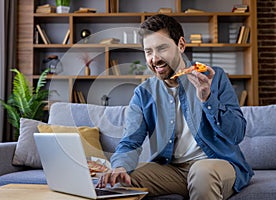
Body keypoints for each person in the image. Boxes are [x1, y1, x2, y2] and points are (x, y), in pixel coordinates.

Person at [96, 14, 253, 200]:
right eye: (148, 52)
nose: (155, 59)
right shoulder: (143, 93)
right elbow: (130, 142)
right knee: (121, 179)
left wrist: (207, 98)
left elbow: (237, 134)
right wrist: (120, 166)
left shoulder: (214, 77)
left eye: (162, 48)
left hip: (215, 164)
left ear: (181, 45)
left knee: (202, 174)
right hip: (172, 171)